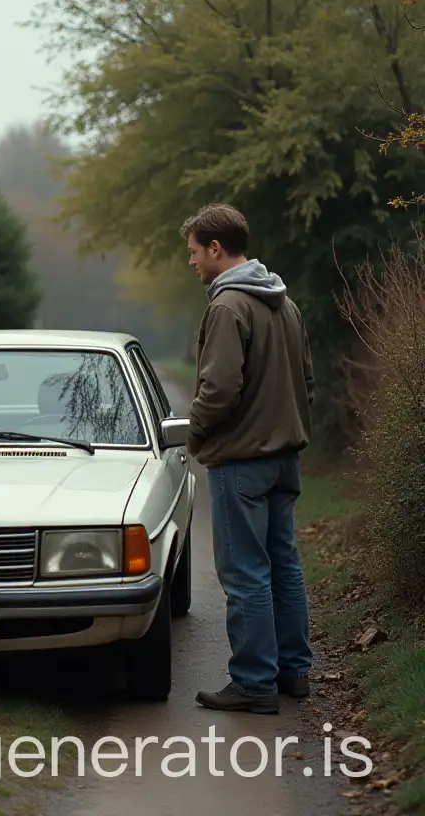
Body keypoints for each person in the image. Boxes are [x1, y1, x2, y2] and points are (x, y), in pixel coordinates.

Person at [180, 204, 315, 714]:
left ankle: (255, 683)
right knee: (283, 565)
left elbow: (218, 389)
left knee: (245, 572)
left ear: (217, 248)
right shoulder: (286, 304)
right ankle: (292, 673)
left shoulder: (228, 307)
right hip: (285, 458)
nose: (191, 262)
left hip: (240, 462)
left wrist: (195, 433)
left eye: (194, 252)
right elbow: (307, 381)